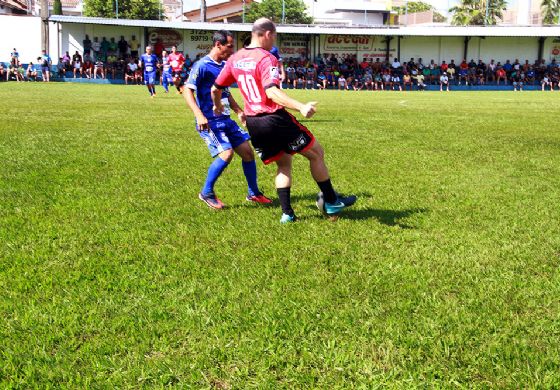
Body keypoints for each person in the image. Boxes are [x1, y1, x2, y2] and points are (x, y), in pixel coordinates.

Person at [211, 18, 356, 223]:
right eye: (275, 37)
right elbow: (272, 93)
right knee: (316, 154)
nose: (274, 42)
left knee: (284, 164)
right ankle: (331, 201)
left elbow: (215, 88)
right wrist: (301, 106)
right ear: (268, 34)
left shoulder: (235, 58)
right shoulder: (266, 58)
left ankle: (287, 213)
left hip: (254, 124)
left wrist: (218, 106)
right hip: (273, 119)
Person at [183, 30, 271, 210]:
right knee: (226, 153)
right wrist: (199, 115)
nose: (232, 50)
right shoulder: (202, 65)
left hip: (226, 119)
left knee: (247, 152)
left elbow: (225, 92)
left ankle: (253, 193)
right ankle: (206, 192)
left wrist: (238, 110)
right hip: (210, 121)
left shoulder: (224, 65)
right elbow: (187, 90)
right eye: (229, 46)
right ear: (218, 45)